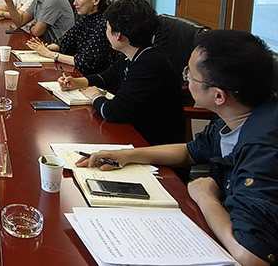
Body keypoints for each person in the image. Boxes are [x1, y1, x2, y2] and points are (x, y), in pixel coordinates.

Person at [77, 30, 277, 266]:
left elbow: (253, 256)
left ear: (218, 96)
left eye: (190, 74)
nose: (186, 78)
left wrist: (206, 198)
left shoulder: (263, 149)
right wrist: (126, 155)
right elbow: (190, 151)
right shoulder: (238, 114)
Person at [58, 0, 184, 146]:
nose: (105, 32)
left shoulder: (149, 64)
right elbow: (107, 78)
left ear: (118, 35)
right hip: (135, 131)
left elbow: (112, 112)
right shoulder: (134, 53)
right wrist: (78, 82)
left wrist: (95, 96)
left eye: (107, 28)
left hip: (152, 144)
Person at [26, 0, 118, 75]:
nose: (74, 3)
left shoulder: (104, 24)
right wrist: (43, 48)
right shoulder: (85, 19)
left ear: (95, 0)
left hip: (96, 77)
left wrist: (50, 54)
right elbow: (65, 42)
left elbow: (85, 62)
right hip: (79, 73)